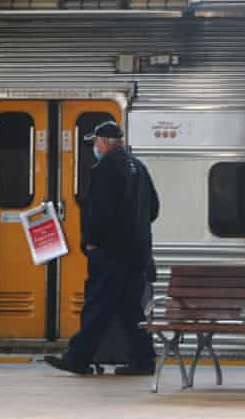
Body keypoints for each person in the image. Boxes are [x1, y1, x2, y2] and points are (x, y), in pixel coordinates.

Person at [45, 121, 159, 376]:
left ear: (105, 142)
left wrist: (92, 240)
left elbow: (99, 212)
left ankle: (77, 358)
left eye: (95, 142)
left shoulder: (104, 168)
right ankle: (144, 360)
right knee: (132, 309)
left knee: (98, 306)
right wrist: (134, 230)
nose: (94, 147)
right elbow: (153, 209)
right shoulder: (139, 168)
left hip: (110, 254)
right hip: (137, 254)